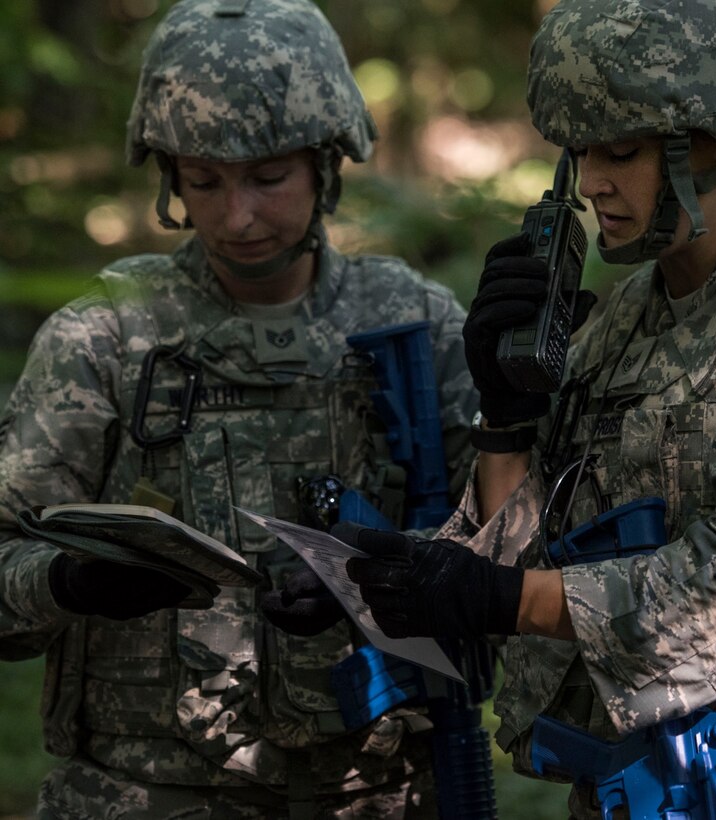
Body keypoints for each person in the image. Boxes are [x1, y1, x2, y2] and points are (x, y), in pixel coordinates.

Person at [340, 0, 716, 817]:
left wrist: (505, 601)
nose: (590, 184)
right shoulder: (618, 324)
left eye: (620, 151)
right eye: (580, 152)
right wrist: (506, 420)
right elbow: (531, 557)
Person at [0, 0, 477, 817]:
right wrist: (73, 581)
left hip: (374, 793)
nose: (236, 216)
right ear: (169, 178)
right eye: (203, 181)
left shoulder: (415, 324)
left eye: (267, 176)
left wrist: (375, 580)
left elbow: (507, 556)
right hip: (143, 795)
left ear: (326, 165)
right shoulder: (107, 336)